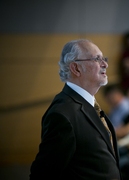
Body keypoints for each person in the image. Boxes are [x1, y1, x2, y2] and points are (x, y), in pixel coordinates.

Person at [29, 39, 122, 180]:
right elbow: (43, 174)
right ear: (76, 68)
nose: (105, 64)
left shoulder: (87, 103)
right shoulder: (62, 114)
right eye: (97, 59)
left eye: (104, 58)